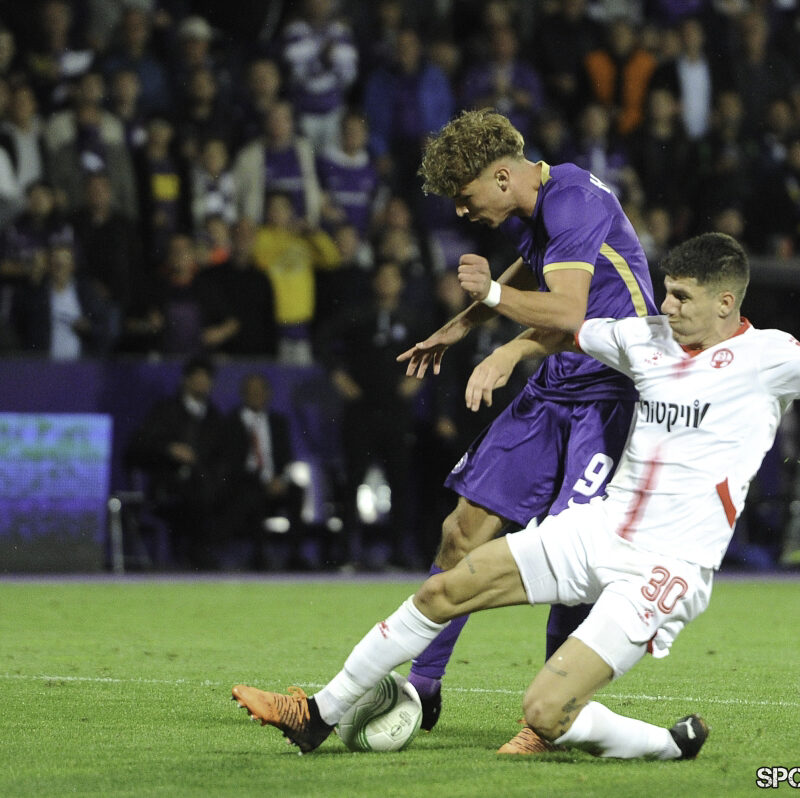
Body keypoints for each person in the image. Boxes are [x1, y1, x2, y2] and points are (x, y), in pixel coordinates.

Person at [231, 231, 800, 759]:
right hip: (600, 530)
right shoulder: (648, 337)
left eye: (680, 297)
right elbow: (568, 327)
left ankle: (667, 744)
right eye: (667, 293)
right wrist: (507, 352)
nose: (666, 306)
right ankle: (316, 715)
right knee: (442, 592)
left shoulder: (772, 358)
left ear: (725, 303)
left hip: (666, 568)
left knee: (545, 712)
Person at [393, 108, 657, 733]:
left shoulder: (574, 200)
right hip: (560, 381)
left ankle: (555, 713)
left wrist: (503, 333)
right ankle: (422, 687)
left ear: (504, 177)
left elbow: (567, 308)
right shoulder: (534, 210)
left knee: (573, 556)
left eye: (466, 197)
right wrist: (457, 332)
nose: (462, 212)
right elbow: (525, 275)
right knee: (461, 532)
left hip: (612, 394)